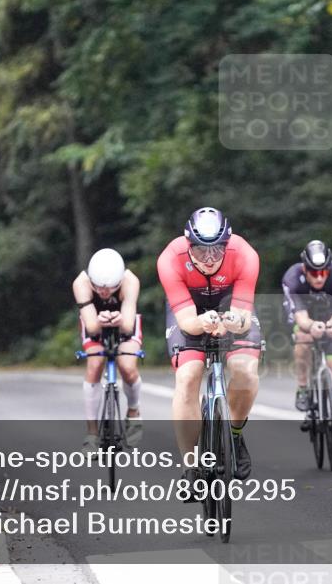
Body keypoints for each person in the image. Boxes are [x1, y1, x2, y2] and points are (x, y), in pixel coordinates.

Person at [157, 207, 262, 483]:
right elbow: (188, 323)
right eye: (201, 251)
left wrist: (232, 322)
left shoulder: (245, 255)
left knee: (246, 372)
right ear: (188, 244)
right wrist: (203, 322)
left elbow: (243, 320)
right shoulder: (171, 259)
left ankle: (235, 436)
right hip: (190, 310)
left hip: (230, 306)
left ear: (227, 243)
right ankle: (190, 466)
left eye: (217, 249)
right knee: (189, 375)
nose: (210, 258)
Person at [281, 240, 332, 450]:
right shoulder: (292, 278)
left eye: (323, 272)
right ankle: (303, 389)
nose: (319, 277)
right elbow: (300, 318)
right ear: (305, 268)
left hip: (330, 318)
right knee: (303, 339)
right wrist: (312, 326)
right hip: (305, 319)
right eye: (313, 272)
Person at [72, 248, 143, 452]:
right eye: (98, 288)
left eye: (111, 288)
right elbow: (92, 327)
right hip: (93, 321)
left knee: (127, 366)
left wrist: (119, 321)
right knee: (94, 364)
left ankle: (133, 411)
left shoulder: (130, 281)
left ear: (119, 281)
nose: (104, 292)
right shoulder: (81, 283)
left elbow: (129, 325)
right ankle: (92, 433)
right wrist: (99, 323)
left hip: (124, 323)